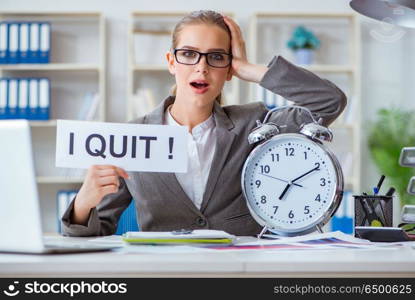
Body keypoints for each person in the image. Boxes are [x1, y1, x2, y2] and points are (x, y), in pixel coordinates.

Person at [62, 10, 346, 237]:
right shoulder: (132, 137)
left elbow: (329, 102)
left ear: (228, 69)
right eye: (188, 54)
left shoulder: (254, 124)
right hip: (164, 277)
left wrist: (248, 69)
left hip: (241, 274)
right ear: (171, 62)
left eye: (216, 57)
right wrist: (83, 203)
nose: (202, 67)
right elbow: (91, 233)